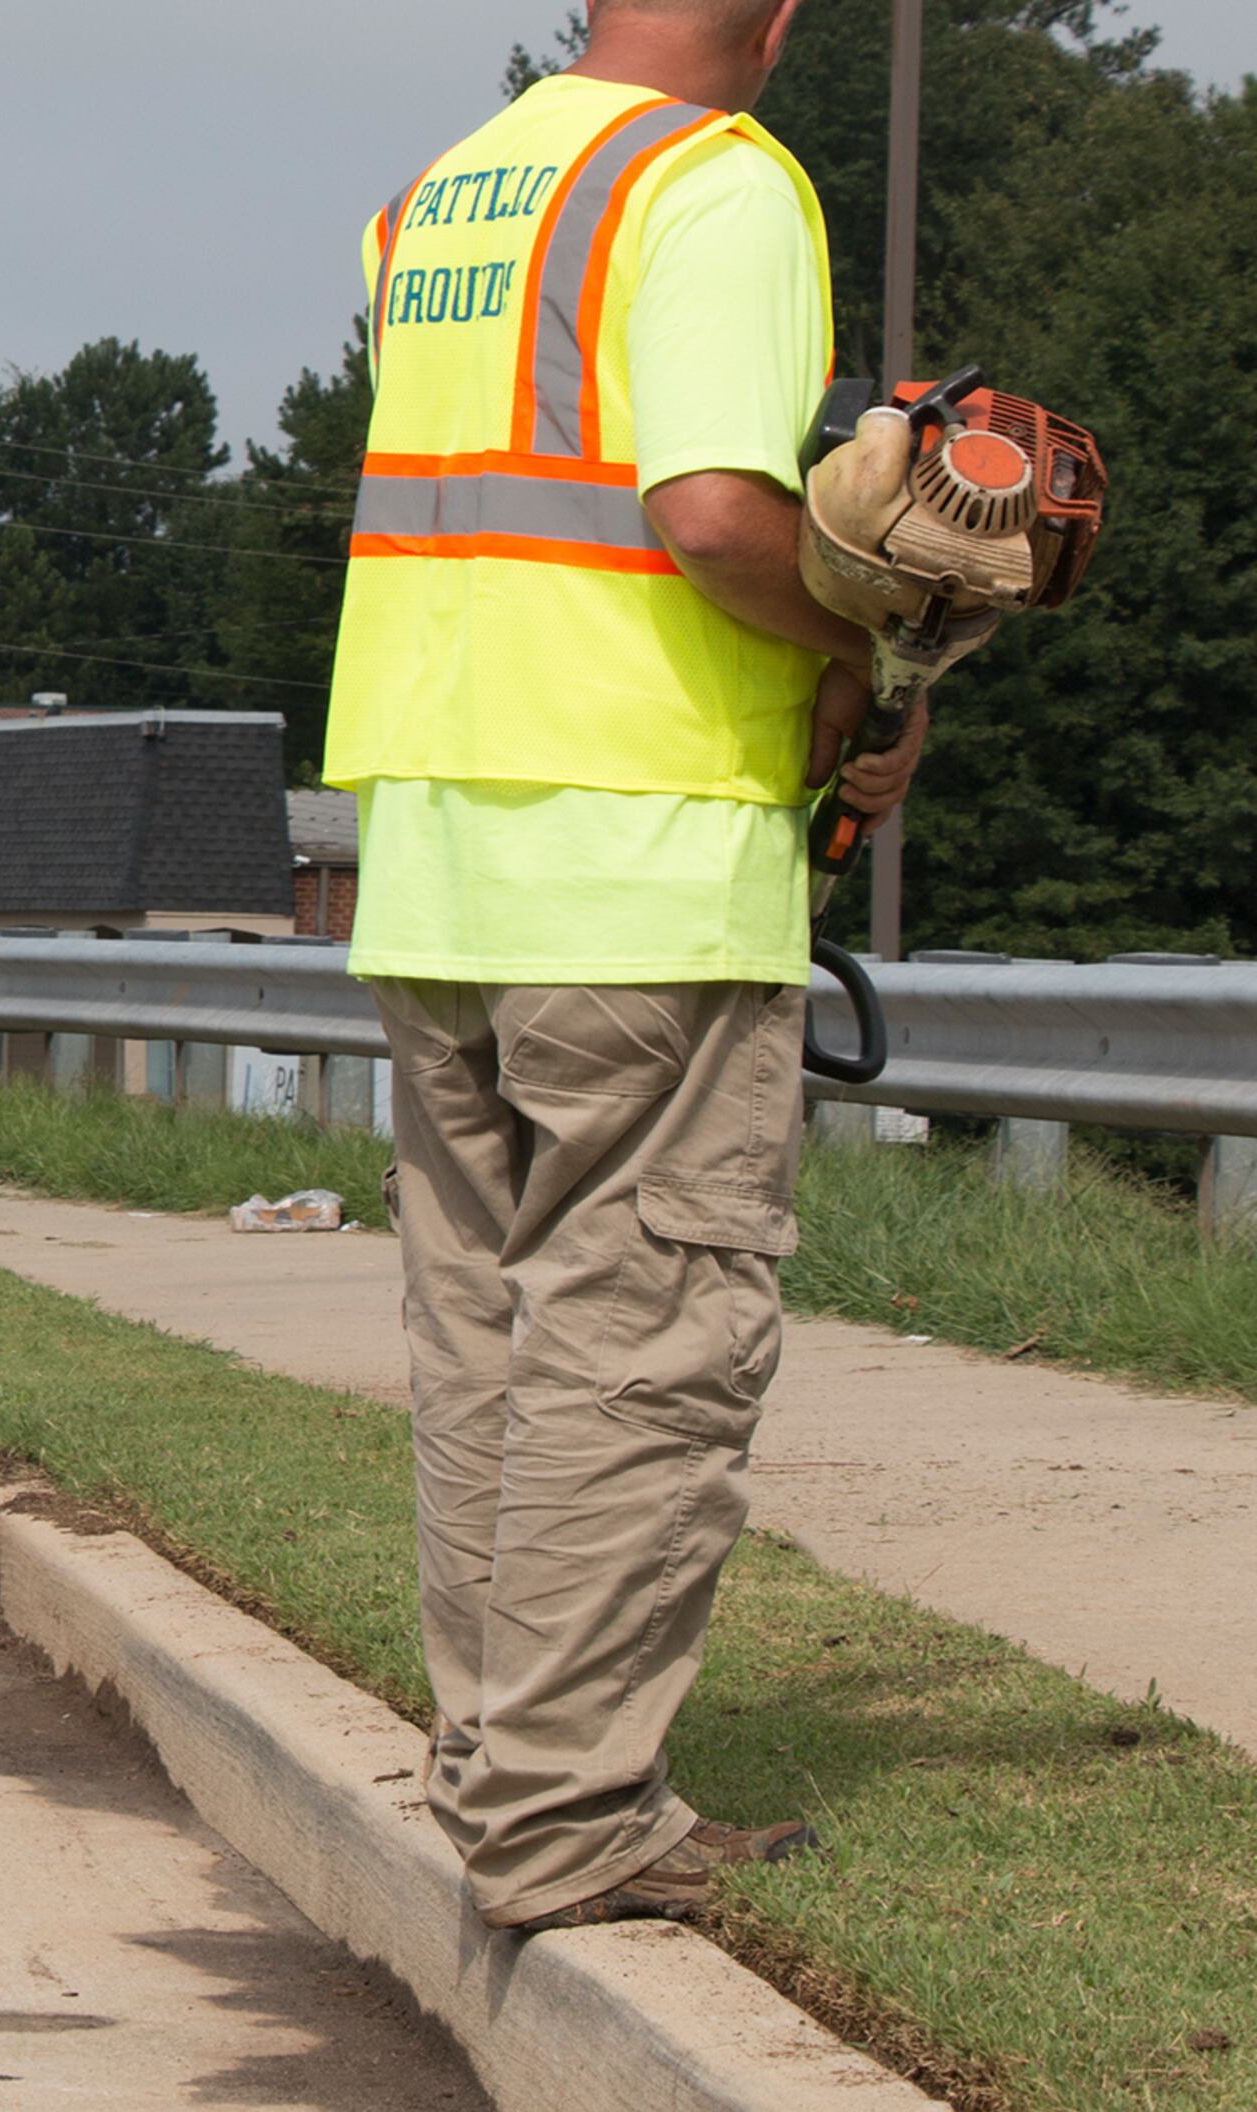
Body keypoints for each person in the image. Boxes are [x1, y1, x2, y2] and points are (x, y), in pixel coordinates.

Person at [323, 0, 924, 1930]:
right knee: (644, 1336)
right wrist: (862, 641)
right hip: (643, 854)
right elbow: (711, 514)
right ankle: (569, 1818)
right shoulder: (716, 181)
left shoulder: (445, 196)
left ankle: (501, 1769)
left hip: (433, 849)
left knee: (493, 1345)